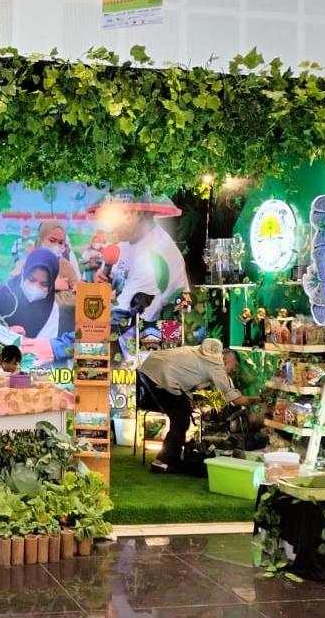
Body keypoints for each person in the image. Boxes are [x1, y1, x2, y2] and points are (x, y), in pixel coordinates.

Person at [137, 338, 261, 474]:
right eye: (235, 366)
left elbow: (184, 373)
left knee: (181, 417)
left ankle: (171, 459)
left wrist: (187, 397)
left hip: (148, 368)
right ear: (227, 359)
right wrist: (260, 399)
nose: (234, 370)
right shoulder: (216, 367)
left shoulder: (200, 353)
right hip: (160, 377)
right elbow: (237, 401)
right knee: (181, 420)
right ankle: (162, 462)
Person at [93, 190, 188, 322]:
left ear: (140, 213)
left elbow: (122, 317)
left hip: (152, 330)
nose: (112, 224)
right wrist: (106, 280)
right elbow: (117, 279)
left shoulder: (154, 255)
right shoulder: (127, 242)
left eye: (119, 215)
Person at [0, 249, 74, 366]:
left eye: (44, 284)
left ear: (51, 285)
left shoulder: (51, 307)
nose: (35, 287)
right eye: (31, 279)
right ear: (23, 273)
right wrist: (2, 334)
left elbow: (43, 348)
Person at [11, 221, 79, 306]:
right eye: (52, 240)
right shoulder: (26, 262)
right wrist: (53, 286)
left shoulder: (64, 265)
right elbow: (13, 289)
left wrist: (72, 290)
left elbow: (76, 289)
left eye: (61, 243)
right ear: (41, 239)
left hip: (60, 312)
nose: (56, 246)